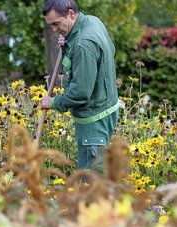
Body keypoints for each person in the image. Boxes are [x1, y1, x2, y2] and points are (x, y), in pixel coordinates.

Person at [40, 0, 119, 172]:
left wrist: (53, 103)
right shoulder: (92, 22)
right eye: (51, 25)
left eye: (56, 24)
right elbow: (110, 50)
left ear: (70, 14)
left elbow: (80, 93)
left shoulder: (83, 44)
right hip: (106, 106)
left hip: (93, 118)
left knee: (91, 178)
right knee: (98, 170)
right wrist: (69, 39)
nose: (54, 30)